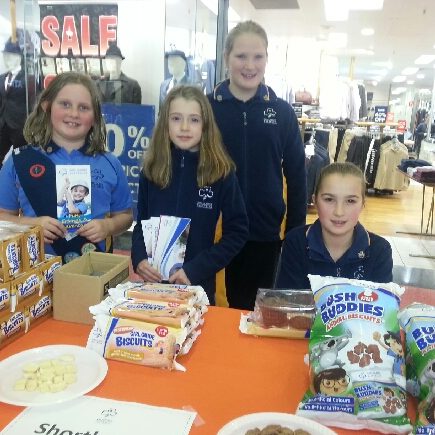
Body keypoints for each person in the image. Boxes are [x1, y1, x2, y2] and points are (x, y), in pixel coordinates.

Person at [208, 20, 307, 310]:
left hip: (266, 232)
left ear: (266, 59)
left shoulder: (282, 112)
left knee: (259, 312)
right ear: (226, 58)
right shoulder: (206, 108)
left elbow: (297, 176)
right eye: (241, 56)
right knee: (218, 311)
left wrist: (296, 234)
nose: (249, 65)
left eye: (258, 56)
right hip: (216, 230)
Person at [131, 85, 249, 304]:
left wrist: (195, 270)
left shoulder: (220, 172)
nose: (184, 127)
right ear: (165, 123)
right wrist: (139, 258)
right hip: (153, 286)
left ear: (205, 126)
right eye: (176, 118)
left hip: (197, 287)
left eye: (194, 120)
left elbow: (237, 233)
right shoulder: (152, 169)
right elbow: (141, 224)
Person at [0, 71, 133, 263]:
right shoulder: (19, 161)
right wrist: (31, 226)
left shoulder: (110, 163)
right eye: (65, 104)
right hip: (36, 275)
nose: (74, 114)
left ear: (95, 116)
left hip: (93, 270)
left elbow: (125, 216)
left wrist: (108, 226)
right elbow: (3, 217)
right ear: (47, 107)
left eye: (84, 107)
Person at [275, 162, 393, 289]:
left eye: (350, 201)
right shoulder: (296, 242)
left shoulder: (380, 250)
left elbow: (383, 305)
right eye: (329, 199)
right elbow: (286, 301)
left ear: (362, 204)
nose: (339, 212)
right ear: (315, 201)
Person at [0, 40, 28, 167]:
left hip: (20, 125)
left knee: (20, 159)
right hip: (3, 124)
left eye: (10, 56)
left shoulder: (28, 78)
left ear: (18, 58)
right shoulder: (2, 77)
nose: (6, 59)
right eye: (5, 56)